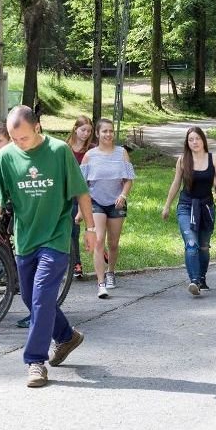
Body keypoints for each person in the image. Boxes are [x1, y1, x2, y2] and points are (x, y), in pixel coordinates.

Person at [0, 105, 96, 388]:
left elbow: (81, 191)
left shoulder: (59, 152)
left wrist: (91, 228)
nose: (17, 143)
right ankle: (67, 336)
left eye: (22, 137)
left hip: (57, 236)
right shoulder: (6, 157)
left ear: (37, 128)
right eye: (13, 137)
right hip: (25, 238)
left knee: (42, 295)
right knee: (30, 299)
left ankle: (35, 361)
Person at [161, 127, 216, 296]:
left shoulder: (213, 159)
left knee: (203, 246)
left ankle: (201, 277)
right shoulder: (182, 160)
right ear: (187, 143)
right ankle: (194, 281)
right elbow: (175, 183)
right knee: (191, 244)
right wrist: (167, 206)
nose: (194, 142)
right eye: (191, 139)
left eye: (197, 139)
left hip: (206, 207)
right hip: (186, 207)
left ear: (203, 140)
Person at [80, 118, 136, 299]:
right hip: (96, 201)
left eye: (111, 131)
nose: (108, 134)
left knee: (112, 243)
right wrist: (82, 209)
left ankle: (111, 272)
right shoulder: (90, 155)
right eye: (104, 131)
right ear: (97, 133)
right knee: (98, 241)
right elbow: (82, 184)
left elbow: (128, 179)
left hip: (116, 203)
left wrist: (123, 195)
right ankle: (101, 283)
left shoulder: (122, 153)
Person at [67, 115, 95, 280]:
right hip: (69, 194)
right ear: (75, 129)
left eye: (89, 131)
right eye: (83, 130)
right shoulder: (66, 148)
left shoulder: (91, 150)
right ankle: (75, 262)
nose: (85, 133)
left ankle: (99, 251)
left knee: (89, 227)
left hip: (87, 193)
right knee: (72, 230)